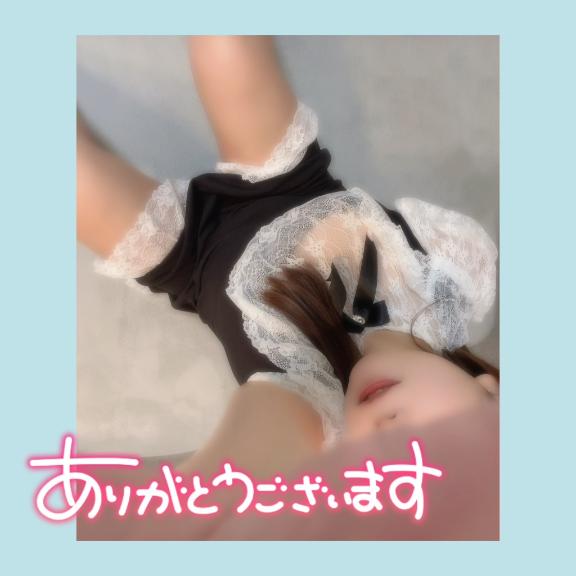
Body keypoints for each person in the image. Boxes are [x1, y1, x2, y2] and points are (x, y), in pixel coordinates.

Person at [77, 36, 499, 479]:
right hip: (288, 175)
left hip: (185, 257)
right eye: (438, 447)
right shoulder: (453, 277)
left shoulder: (313, 410)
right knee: (225, 42)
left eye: (379, 471)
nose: (388, 429)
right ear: (491, 397)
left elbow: (249, 451)